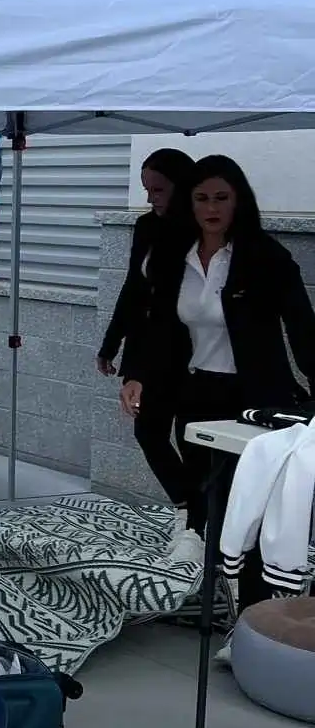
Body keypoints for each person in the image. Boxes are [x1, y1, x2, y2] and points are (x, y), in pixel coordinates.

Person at [124, 155, 315, 570]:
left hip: (252, 392)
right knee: (197, 480)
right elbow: (156, 322)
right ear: (189, 204)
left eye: (222, 198)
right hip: (195, 387)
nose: (212, 209)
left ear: (239, 201)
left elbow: (303, 327)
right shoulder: (176, 257)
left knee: (237, 493)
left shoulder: (266, 257)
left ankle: (237, 577)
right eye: (202, 198)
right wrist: (135, 373)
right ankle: (198, 551)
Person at [98, 149, 193, 513]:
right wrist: (111, 344)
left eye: (158, 190)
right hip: (149, 345)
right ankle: (190, 510)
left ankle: (200, 518)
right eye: (146, 189)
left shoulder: (198, 231)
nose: (150, 198)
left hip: (191, 351)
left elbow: (170, 306)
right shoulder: (146, 227)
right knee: (149, 432)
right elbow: (133, 289)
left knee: (190, 438)